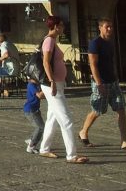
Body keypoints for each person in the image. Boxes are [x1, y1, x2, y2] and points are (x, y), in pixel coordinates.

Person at [79, 18, 126, 151]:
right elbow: (93, 65)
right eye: (107, 27)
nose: (109, 29)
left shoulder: (110, 43)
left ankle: (124, 141)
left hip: (113, 82)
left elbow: (111, 62)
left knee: (121, 109)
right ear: (100, 27)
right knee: (97, 111)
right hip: (101, 82)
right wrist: (99, 84)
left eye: (111, 26)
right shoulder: (95, 43)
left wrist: (116, 77)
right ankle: (83, 132)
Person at [38, 16, 88, 163]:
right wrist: (52, 81)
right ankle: (72, 155)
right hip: (51, 84)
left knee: (52, 118)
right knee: (66, 120)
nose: (64, 28)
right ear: (55, 27)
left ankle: (44, 148)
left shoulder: (53, 40)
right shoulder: (49, 41)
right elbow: (46, 62)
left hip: (56, 83)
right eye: (62, 26)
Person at [23, 74, 45, 154]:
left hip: (35, 109)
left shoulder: (36, 84)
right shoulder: (31, 85)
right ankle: (31, 146)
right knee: (40, 127)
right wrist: (47, 90)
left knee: (41, 126)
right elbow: (39, 95)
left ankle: (31, 140)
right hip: (30, 110)